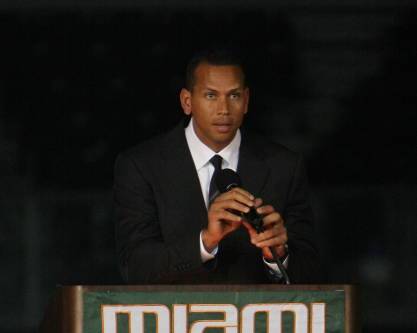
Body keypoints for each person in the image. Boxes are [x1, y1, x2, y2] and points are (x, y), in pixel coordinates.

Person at [114, 48, 320, 284]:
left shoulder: (284, 166)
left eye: (233, 96)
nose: (224, 109)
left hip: (257, 319)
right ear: (187, 101)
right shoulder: (140, 166)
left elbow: (311, 274)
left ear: (246, 101)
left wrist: (277, 255)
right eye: (211, 95)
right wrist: (206, 241)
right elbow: (135, 268)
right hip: (176, 318)